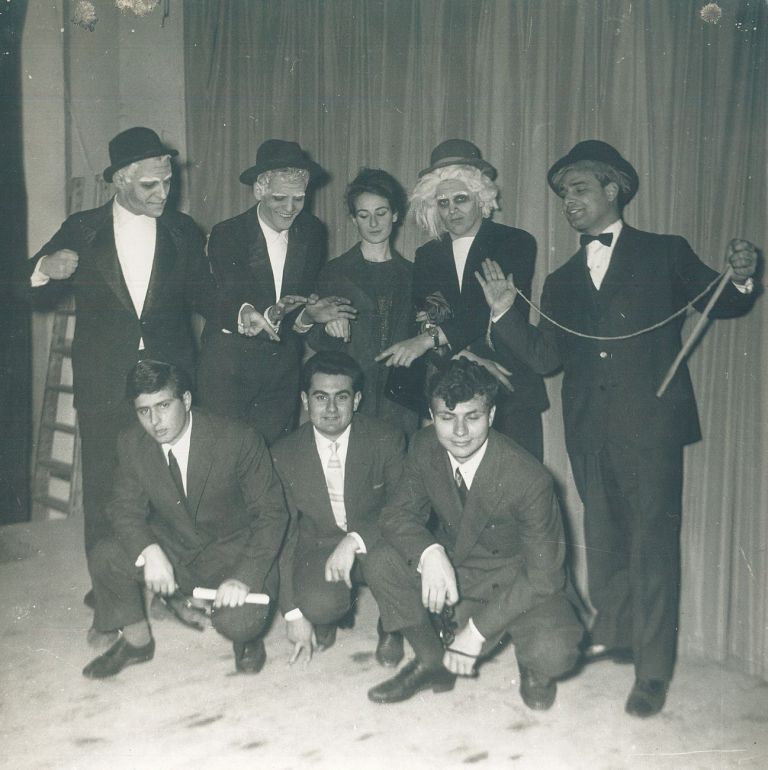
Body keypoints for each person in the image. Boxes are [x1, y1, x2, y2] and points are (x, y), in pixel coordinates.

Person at [477, 139, 759, 718]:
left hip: (651, 426)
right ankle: (622, 635)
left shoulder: (665, 253)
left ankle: (653, 673)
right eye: (562, 195)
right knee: (605, 537)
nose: (568, 203)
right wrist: (505, 311)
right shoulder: (560, 279)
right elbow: (546, 357)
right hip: (589, 431)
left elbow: (721, 299)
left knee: (652, 547)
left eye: (578, 189)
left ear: (613, 190)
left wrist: (743, 276)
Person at [28, 126, 211, 581]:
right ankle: (111, 590)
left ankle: (177, 580)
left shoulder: (183, 231)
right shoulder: (82, 228)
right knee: (106, 488)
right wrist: (43, 269)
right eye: (152, 184)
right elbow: (20, 287)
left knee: (173, 484)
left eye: (168, 182)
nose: (164, 193)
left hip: (168, 382)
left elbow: (208, 296)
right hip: (105, 384)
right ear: (120, 180)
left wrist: (248, 312)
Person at [365, 359, 582, 708]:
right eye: (447, 418)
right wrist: (429, 553)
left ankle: (533, 667)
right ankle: (431, 661)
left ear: (492, 416)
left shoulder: (528, 478)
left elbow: (543, 576)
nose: (460, 432)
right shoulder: (424, 447)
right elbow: (396, 515)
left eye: (473, 416)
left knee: (554, 651)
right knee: (381, 561)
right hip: (461, 568)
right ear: (432, 417)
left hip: (520, 581)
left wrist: (475, 632)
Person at [82, 359, 288, 679]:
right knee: (106, 554)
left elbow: (272, 515)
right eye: (144, 411)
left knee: (238, 622)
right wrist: (150, 551)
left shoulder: (237, 438)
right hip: (178, 549)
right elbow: (123, 509)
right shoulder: (132, 443)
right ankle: (137, 642)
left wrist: (245, 576)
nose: (154, 421)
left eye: (164, 405)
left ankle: (247, 641)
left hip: (235, 552)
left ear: (187, 400)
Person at [375, 140, 548, 460]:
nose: (452, 210)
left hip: (509, 385)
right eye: (442, 203)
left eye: (461, 199)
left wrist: (426, 341)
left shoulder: (515, 242)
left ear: (481, 198)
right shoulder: (427, 255)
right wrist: (470, 356)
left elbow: (487, 307)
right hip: (453, 384)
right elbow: (432, 312)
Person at [197, 139, 356, 445]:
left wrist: (310, 314)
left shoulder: (311, 231)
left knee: (274, 461)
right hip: (229, 368)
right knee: (226, 458)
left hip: (282, 370)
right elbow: (232, 299)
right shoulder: (228, 234)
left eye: (299, 199)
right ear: (259, 190)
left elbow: (301, 304)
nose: (289, 209)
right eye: (280, 198)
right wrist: (274, 312)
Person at [270, 351, 406, 667]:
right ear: (305, 400)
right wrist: (293, 611)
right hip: (321, 547)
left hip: (377, 540)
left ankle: (391, 624)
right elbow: (284, 535)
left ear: (356, 400)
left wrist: (356, 539)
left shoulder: (386, 440)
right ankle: (328, 614)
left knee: (396, 556)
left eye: (341, 397)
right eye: (321, 397)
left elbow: (404, 508)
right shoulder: (283, 454)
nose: (331, 409)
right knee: (318, 603)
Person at [307, 168, 418, 436]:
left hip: (400, 398)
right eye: (363, 215)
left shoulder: (414, 274)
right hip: (352, 391)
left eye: (381, 213)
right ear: (354, 219)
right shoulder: (334, 272)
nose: (374, 223)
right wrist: (328, 327)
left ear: (395, 215)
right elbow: (315, 341)